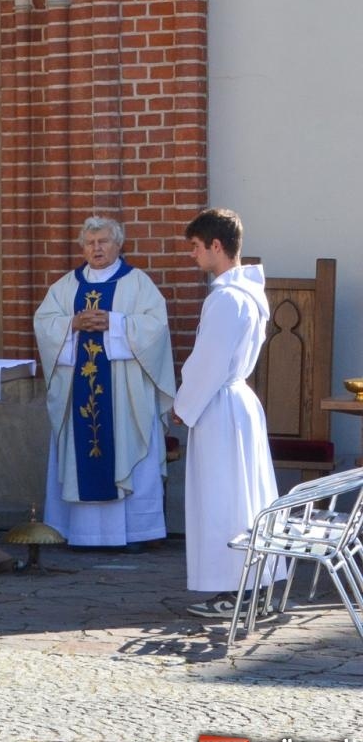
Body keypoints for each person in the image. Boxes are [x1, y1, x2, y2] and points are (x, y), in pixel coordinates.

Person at [33, 217, 176, 549]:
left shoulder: (138, 283)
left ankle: (134, 533)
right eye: (90, 243)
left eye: (103, 242)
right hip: (79, 386)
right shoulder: (66, 286)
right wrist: (72, 323)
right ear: (82, 247)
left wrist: (115, 323)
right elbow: (44, 324)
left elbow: (156, 327)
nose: (96, 248)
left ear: (119, 244)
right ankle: (80, 533)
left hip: (124, 394)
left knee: (126, 445)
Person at [172, 208, 284, 618]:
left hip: (219, 404)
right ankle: (254, 585)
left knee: (222, 500)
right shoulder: (248, 293)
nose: (193, 256)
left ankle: (231, 590)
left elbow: (209, 363)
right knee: (243, 497)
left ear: (217, 246)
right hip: (235, 402)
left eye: (197, 247)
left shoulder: (226, 298)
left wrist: (184, 406)